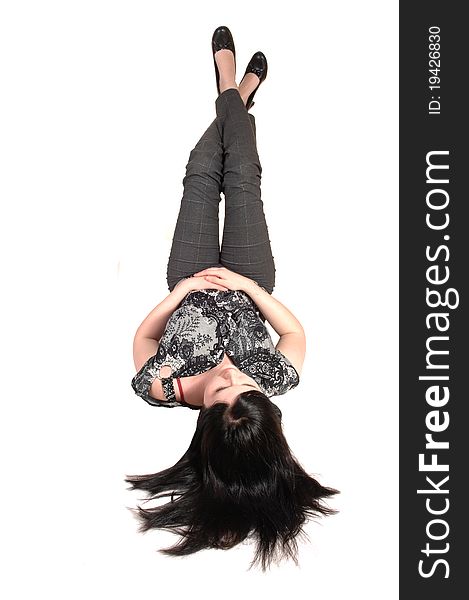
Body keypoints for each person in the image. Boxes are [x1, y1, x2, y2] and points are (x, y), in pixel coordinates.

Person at [126, 26, 338, 571]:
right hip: (249, 272)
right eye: (248, 386)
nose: (233, 378)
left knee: (201, 169)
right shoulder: (275, 382)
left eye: (223, 393)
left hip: (190, 272)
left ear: (205, 428)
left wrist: (179, 294)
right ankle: (234, 93)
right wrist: (249, 290)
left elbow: (144, 337)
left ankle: (233, 91)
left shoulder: (162, 386)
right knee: (242, 173)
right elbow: (295, 335)